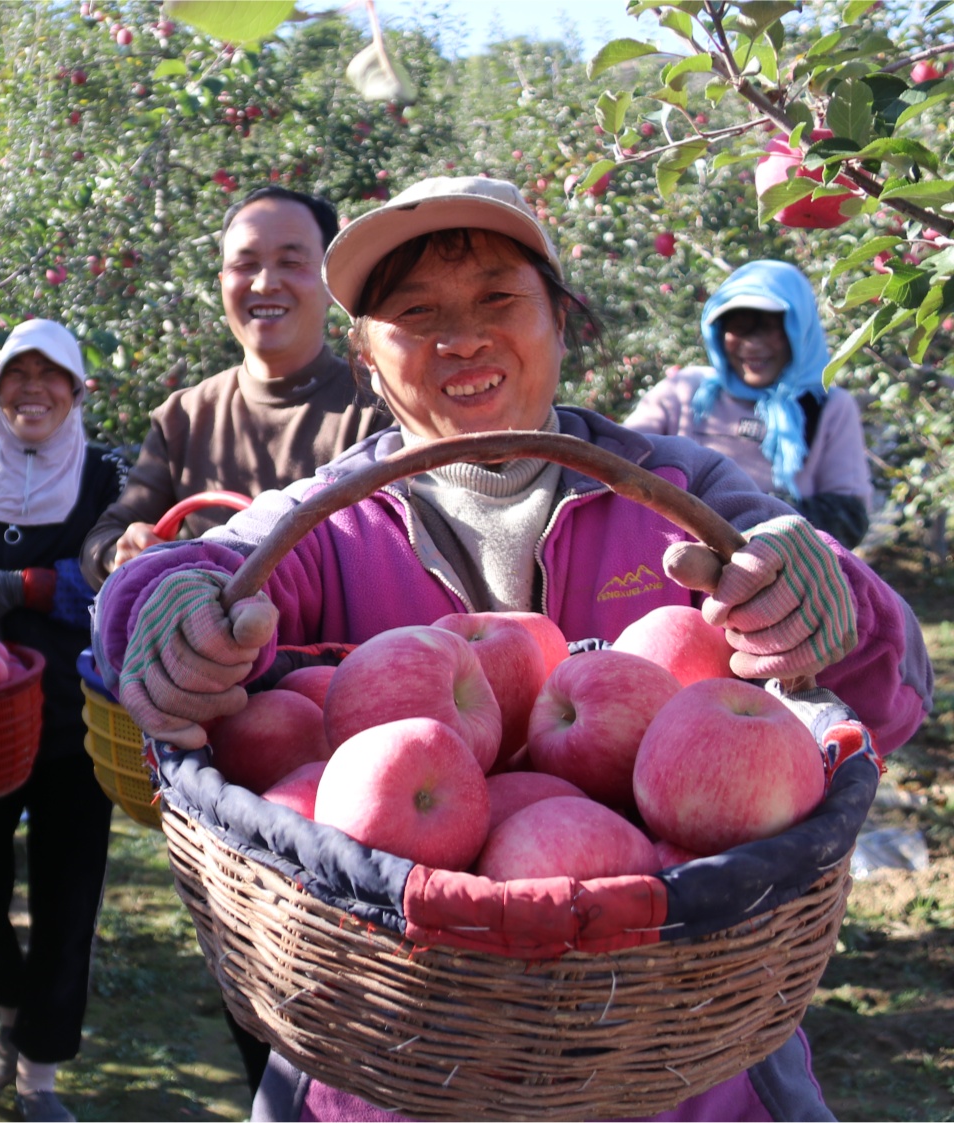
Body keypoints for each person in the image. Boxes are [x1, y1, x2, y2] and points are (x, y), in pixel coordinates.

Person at [94, 176, 932, 1122]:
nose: (462, 337)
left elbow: (896, 686)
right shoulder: (328, 521)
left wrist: (824, 593)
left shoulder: (678, 488)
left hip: (682, 1070)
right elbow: (205, 570)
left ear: (561, 322)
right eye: (416, 314)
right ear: (367, 360)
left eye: (499, 299)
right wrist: (161, 606)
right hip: (395, 1057)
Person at [0, 319, 127, 1123]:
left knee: (67, 898)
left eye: (52, 377)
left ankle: (39, 1076)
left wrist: (30, 587)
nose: (32, 390)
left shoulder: (108, 480)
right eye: (17, 376)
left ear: (77, 391)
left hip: (77, 722)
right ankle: (10, 1007)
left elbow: (116, 581)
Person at [80, 186, 385, 589]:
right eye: (246, 265)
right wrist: (121, 552)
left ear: (331, 283)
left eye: (291, 262)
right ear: (222, 281)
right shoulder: (184, 416)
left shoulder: (379, 406)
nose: (265, 283)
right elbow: (104, 540)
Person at [625, 259, 875, 547]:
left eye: (770, 328)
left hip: (779, 572)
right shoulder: (683, 392)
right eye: (740, 328)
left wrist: (748, 523)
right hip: (675, 564)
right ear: (718, 334)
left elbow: (847, 519)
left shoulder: (828, 407)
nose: (753, 344)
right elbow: (620, 460)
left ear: (800, 331)